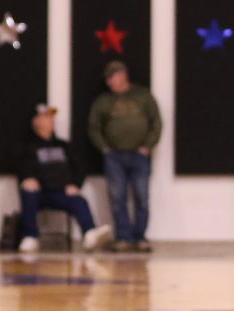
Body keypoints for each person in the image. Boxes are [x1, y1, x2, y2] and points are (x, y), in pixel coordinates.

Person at [88, 60, 162, 253]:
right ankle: (123, 238)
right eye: (107, 79)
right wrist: (104, 148)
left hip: (139, 155)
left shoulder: (142, 96)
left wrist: (148, 146)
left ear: (122, 75)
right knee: (117, 197)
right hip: (114, 156)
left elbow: (156, 122)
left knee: (142, 197)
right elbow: (94, 127)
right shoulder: (103, 101)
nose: (109, 82)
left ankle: (140, 237)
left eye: (112, 77)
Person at [17, 103, 112, 253]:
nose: (51, 120)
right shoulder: (27, 146)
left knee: (79, 200)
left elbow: (80, 167)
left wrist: (75, 184)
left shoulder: (64, 145)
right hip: (39, 192)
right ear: (35, 121)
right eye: (46, 117)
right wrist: (27, 177)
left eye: (51, 117)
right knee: (28, 192)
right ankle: (29, 236)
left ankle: (89, 233)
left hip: (61, 192)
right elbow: (21, 166)